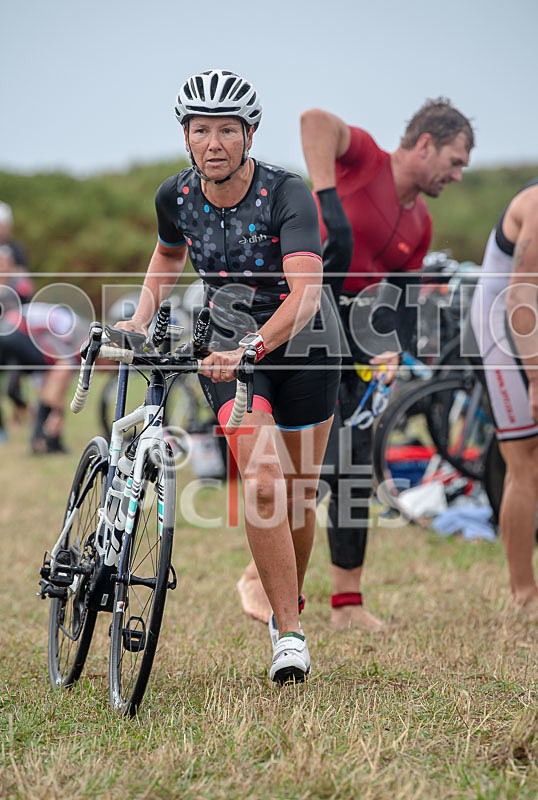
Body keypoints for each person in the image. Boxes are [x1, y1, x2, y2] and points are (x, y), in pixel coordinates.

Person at [116, 69, 341, 684]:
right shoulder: (176, 196)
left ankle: (284, 599)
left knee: (296, 496)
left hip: (299, 345)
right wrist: (140, 317)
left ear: (248, 135)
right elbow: (168, 253)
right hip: (222, 348)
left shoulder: (285, 193)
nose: (213, 142)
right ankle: (288, 634)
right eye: (200, 130)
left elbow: (308, 293)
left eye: (226, 130)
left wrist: (256, 346)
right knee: (265, 482)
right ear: (186, 137)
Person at [238, 98, 474, 630]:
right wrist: (330, 204)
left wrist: (395, 347)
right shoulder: (368, 158)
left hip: (358, 337)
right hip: (299, 319)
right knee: (307, 468)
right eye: (454, 161)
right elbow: (313, 121)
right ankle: (259, 573)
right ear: (424, 145)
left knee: (355, 462)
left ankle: (347, 603)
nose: (456, 175)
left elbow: (404, 297)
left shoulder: (422, 221)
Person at [469, 180, 538, 608]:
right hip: (504, 327)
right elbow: (520, 298)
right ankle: (523, 594)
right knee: (526, 456)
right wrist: (535, 380)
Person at [0, 302, 87, 452]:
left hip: (12, 327)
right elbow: (61, 371)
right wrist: (55, 411)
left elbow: (44, 384)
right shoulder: (77, 339)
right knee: (60, 372)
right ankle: (44, 438)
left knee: (48, 387)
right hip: (18, 329)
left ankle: (41, 439)